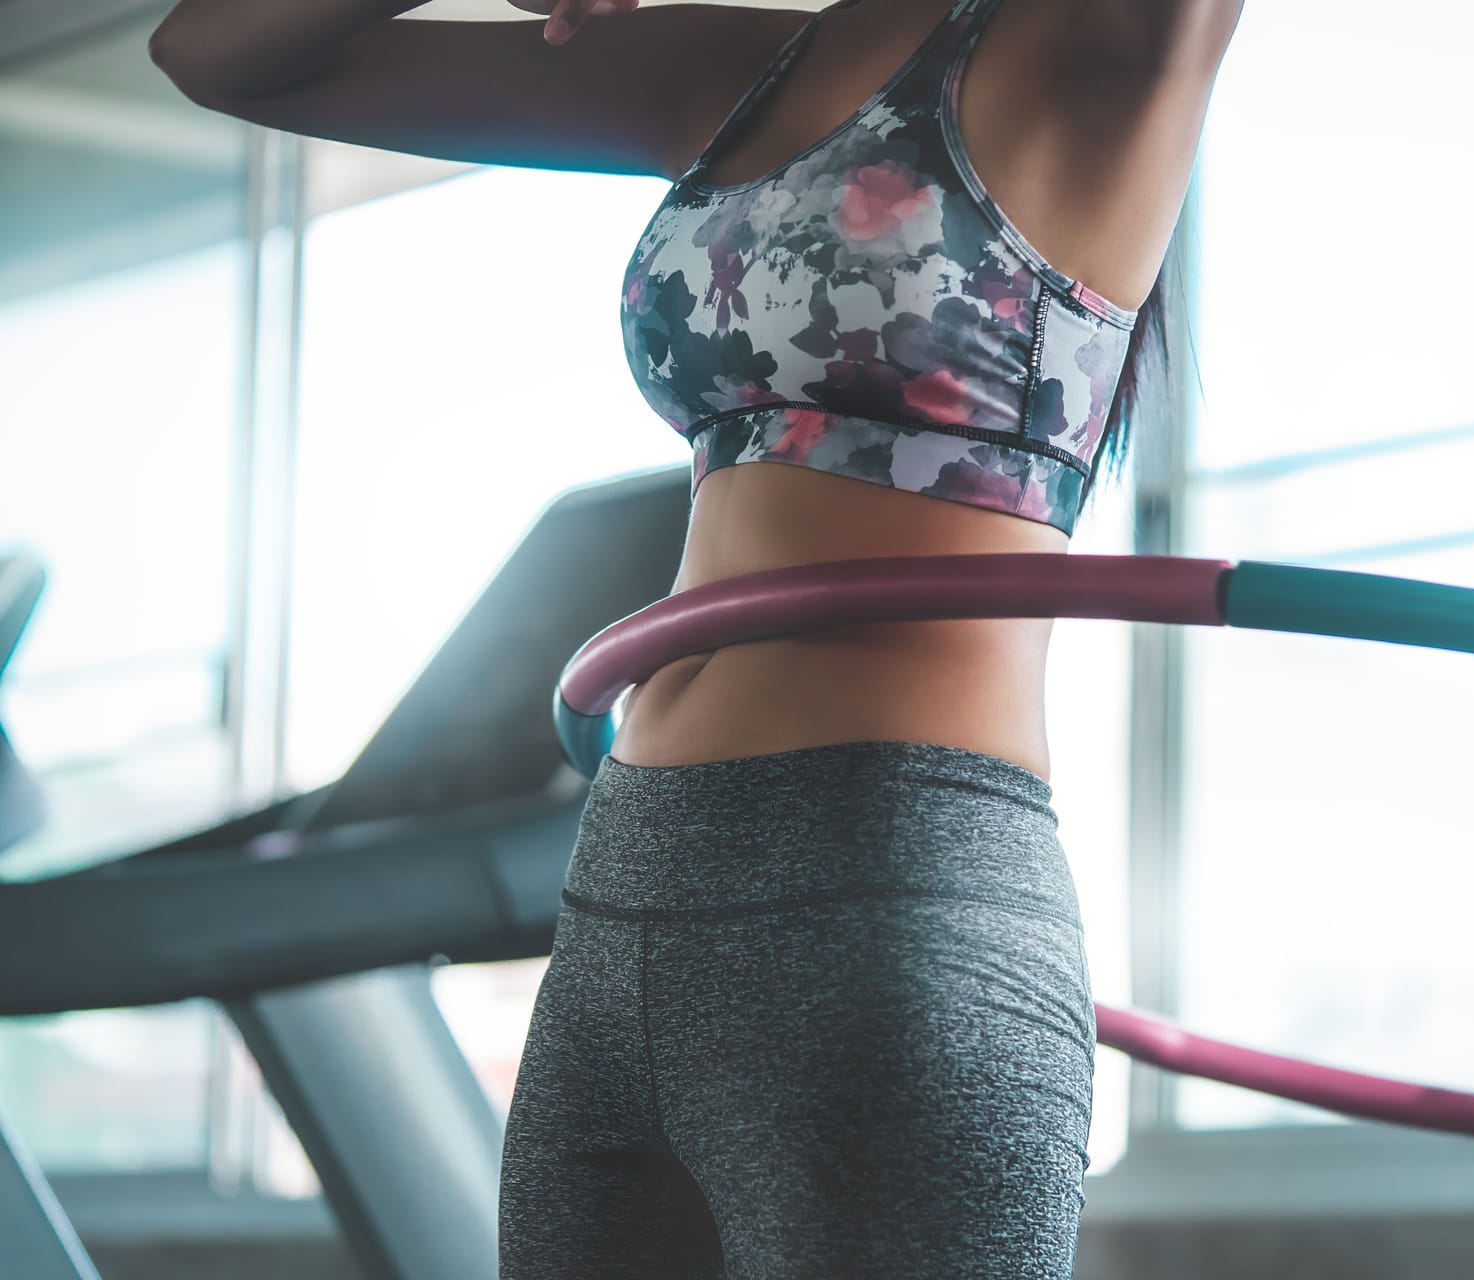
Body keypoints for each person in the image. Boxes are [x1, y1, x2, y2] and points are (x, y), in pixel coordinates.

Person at [150, 0, 1243, 1273]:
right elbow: (217, 53)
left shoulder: (1093, 51)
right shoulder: (748, 63)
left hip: (886, 893)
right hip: (625, 888)